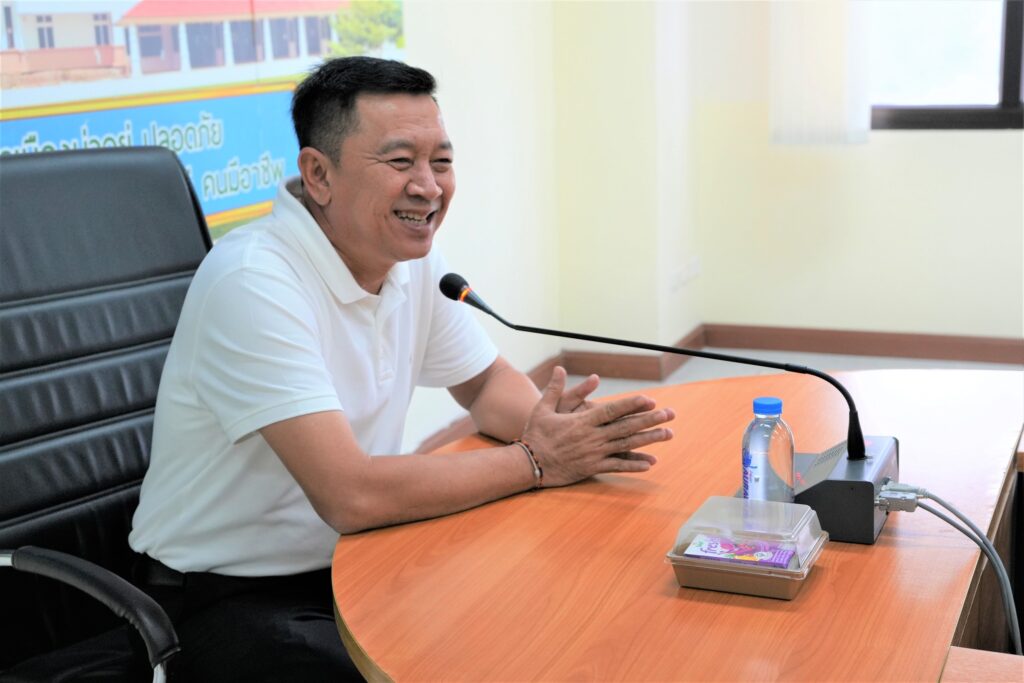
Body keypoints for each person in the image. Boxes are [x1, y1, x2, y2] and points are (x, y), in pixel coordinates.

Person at [128, 56, 675, 682]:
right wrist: (536, 461)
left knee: (534, 620)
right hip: (224, 595)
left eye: (441, 161)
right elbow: (350, 493)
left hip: (357, 558)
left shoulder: (410, 262)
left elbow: (485, 385)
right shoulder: (254, 281)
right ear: (319, 174)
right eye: (400, 162)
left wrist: (565, 437)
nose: (429, 187)